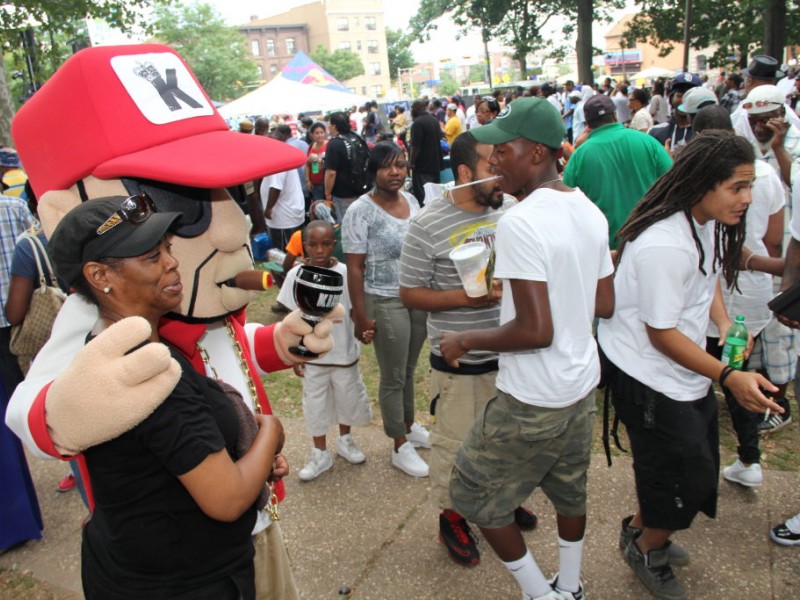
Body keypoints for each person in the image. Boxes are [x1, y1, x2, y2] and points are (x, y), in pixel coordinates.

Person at [7, 43, 340, 600]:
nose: (232, 229)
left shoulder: (176, 298)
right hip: (179, 557)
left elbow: (224, 345)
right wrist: (70, 408)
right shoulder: (100, 314)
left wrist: (278, 342)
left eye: (227, 192)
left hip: (248, 523)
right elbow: (28, 408)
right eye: (180, 205)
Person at [46, 196, 285, 599]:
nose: (172, 263)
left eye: (168, 250)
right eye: (150, 256)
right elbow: (226, 499)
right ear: (99, 275)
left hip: (136, 566)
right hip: (186, 583)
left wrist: (247, 454)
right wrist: (270, 431)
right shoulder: (149, 373)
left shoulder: (115, 345)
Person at [440, 97, 615, 600]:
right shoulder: (588, 209)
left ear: (536, 152)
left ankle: (540, 594)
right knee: (569, 488)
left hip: (534, 394)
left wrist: (465, 338)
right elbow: (603, 301)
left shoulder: (520, 221)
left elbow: (536, 330)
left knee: (471, 492)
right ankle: (572, 583)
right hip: (579, 386)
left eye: (503, 149)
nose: (493, 160)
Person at [597, 131, 782, 600]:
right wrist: (727, 374)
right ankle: (645, 548)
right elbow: (661, 335)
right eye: (737, 187)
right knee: (687, 476)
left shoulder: (703, 222)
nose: (747, 199)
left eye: (750, 187)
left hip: (679, 370)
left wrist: (725, 326)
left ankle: (643, 532)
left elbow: (708, 279)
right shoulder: (666, 243)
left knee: (680, 469)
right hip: (647, 374)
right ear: (703, 183)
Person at [399, 131, 536, 566]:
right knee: (457, 444)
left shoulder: (512, 210)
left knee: (509, 441)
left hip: (512, 354)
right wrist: (465, 297)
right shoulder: (426, 225)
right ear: (463, 173)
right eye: (490, 167)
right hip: (458, 359)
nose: (501, 174)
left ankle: (501, 502)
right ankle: (453, 516)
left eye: (501, 164)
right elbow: (410, 293)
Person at [691, 107, 785, 488]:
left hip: (713, 301)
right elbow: (776, 239)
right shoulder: (766, 176)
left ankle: (704, 462)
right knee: (736, 375)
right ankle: (748, 459)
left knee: (704, 381)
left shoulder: (698, 181)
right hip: (748, 298)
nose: (743, 197)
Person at [342, 141, 430, 478]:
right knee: (393, 376)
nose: (395, 172)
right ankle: (398, 445)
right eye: (387, 166)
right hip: (383, 298)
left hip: (415, 296)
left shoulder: (412, 200)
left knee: (408, 369)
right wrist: (359, 315)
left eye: (401, 165)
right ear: (373, 170)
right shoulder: (360, 211)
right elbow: (354, 268)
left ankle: (409, 425)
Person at [278, 220, 372, 482]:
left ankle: (345, 440)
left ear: (334, 244)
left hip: (343, 354)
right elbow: (289, 318)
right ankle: (320, 452)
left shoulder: (346, 272)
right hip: (313, 358)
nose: (319, 250)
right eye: (313, 245)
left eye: (326, 244)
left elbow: (355, 309)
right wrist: (293, 353)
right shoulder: (295, 275)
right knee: (315, 404)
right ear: (304, 245)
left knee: (347, 397)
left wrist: (364, 328)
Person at [563, 94, 672, 250]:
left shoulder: (579, 156)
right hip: (649, 242)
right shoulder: (648, 142)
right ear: (615, 115)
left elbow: (567, 203)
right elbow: (672, 182)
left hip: (606, 251)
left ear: (587, 124)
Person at [261, 130, 306, 252]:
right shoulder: (281, 157)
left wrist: (268, 208)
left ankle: (286, 271)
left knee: (285, 252)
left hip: (283, 218)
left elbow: (276, 188)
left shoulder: (278, 161)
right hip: (289, 213)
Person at [324, 111, 369, 222]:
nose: (328, 127)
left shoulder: (334, 143)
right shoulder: (357, 138)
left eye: (329, 124)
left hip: (343, 194)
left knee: (347, 225)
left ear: (334, 125)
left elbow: (331, 173)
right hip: (363, 189)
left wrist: (327, 192)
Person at [409, 99, 443, 205]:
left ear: (415, 110)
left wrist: (411, 162)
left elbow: (416, 147)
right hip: (435, 164)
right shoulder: (433, 120)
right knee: (436, 196)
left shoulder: (417, 123)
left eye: (411, 109)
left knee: (424, 197)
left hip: (423, 167)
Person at [305, 122, 328, 201]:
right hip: (314, 183)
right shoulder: (311, 147)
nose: (319, 135)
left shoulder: (329, 145)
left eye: (321, 132)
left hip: (326, 183)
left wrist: (318, 159)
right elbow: (307, 164)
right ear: (312, 135)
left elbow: (331, 164)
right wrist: (308, 180)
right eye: (317, 133)